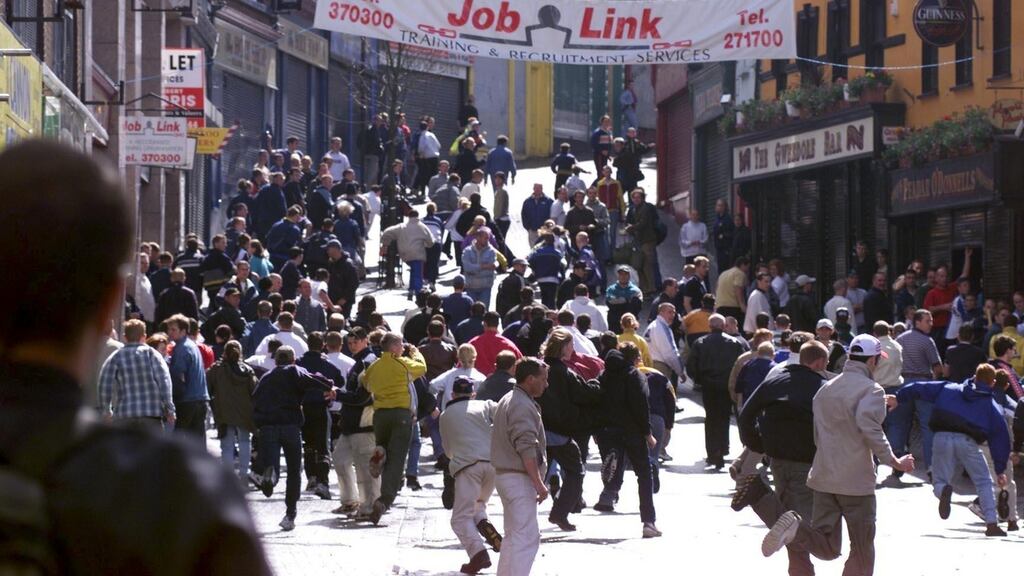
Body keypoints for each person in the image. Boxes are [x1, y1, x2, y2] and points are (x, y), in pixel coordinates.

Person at [761, 335, 915, 574]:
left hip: (823, 478)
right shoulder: (872, 390)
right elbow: (868, 425)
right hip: (855, 482)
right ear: (872, 360)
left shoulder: (826, 388)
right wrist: (894, 460)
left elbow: (818, 434)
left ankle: (796, 530)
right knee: (862, 547)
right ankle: (796, 530)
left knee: (828, 546)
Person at [733, 340, 830, 576]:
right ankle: (759, 497)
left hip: (777, 458)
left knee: (788, 519)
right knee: (801, 526)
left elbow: (746, 414)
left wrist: (757, 444)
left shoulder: (774, 380)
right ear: (819, 362)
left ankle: (800, 570)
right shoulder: (823, 386)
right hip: (807, 460)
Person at [892, 364, 1010, 536]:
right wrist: (1000, 469)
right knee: (984, 481)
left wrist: (899, 397)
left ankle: (943, 491)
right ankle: (992, 523)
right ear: (992, 383)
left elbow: (920, 387)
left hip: (941, 436)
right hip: (969, 441)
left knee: (939, 479)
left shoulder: (949, 388)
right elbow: (1000, 438)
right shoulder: (991, 405)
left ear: (974, 376)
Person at [253, 346, 336, 531]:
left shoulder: (266, 377)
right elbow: (317, 381)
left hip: (268, 427)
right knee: (293, 471)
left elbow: (255, 400)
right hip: (290, 425)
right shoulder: (294, 371)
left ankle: (270, 477)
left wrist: (259, 424)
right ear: (293, 359)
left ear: (276, 360)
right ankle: (290, 514)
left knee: (272, 463)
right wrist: (329, 384)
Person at [592, 343, 661, 537]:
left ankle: (611, 487)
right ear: (635, 358)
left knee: (614, 464)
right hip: (632, 432)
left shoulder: (604, 375)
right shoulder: (634, 375)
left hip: (607, 431)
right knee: (644, 474)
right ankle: (648, 522)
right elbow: (641, 406)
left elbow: (595, 401)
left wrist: (595, 430)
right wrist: (648, 433)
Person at [538, 329, 602, 532]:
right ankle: (560, 512)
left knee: (536, 476)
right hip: (561, 431)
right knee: (576, 471)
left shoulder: (538, 368)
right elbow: (584, 393)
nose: (573, 349)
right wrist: (596, 383)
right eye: (571, 345)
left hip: (540, 430)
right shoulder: (564, 372)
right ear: (564, 347)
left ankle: (525, 514)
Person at [361, 333, 427, 524]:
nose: (403, 348)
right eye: (401, 345)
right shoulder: (402, 364)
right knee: (396, 459)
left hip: (380, 415)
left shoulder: (374, 366)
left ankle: (379, 452)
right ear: (395, 347)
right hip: (400, 415)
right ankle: (385, 500)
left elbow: (366, 383)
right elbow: (422, 368)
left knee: (385, 448)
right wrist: (415, 352)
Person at [491, 357, 548, 576]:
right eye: (543, 379)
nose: (546, 384)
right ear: (530, 379)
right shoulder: (521, 404)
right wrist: (539, 484)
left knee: (515, 536)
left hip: (508, 476)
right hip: (518, 478)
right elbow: (526, 448)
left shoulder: (511, 398)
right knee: (526, 538)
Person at [440, 377, 504, 574]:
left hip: (468, 467)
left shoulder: (445, 415)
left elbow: (448, 451)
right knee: (478, 505)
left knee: (459, 519)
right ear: (473, 394)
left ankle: (478, 554)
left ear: (453, 394)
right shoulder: (485, 405)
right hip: (492, 465)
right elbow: (503, 413)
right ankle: (483, 524)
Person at [687, 314, 747, 470]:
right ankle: (722, 448)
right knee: (724, 417)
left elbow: (691, 365)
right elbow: (742, 365)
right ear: (724, 326)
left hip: (709, 385)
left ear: (709, 326)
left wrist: (699, 380)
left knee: (711, 418)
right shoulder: (734, 343)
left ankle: (713, 451)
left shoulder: (700, 343)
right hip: (726, 385)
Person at [891, 309, 944, 476]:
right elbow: (937, 367)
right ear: (918, 322)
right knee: (927, 425)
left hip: (903, 383)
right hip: (923, 384)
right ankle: (931, 466)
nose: (931, 324)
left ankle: (897, 459)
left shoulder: (900, 339)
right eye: (928, 321)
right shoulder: (927, 341)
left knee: (899, 423)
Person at [98, 319, 175, 428]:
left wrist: (106, 410)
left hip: (125, 415)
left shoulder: (116, 356)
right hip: (151, 414)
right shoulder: (152, 354)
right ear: (144, 337)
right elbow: (164, 381)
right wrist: (170, 409)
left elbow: (104, 383)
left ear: (125, 337)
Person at [207, 340, 258, 484]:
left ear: (224, 352)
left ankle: (228, 477)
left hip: (224, 412)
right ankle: (243, 474)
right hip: (244, 412)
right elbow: (255, 391)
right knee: (244, 441)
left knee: (227, 445)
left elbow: (207, 388)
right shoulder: (247, 370)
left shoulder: (216, 369)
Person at [166, 314, 210, 442]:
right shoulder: (191, 345)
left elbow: (177, 376)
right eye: (169, 329)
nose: (170, 332)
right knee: (197, 441)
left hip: (187, 400)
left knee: (178, 441)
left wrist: (173, 400)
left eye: (173, 329)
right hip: (200, 398)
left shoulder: (181, 349)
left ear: (183, 331)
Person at [623, 189, 659, 295]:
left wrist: (631, 227)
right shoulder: (633, 209)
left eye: (638, 197)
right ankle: (643, 287)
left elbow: (644, 223)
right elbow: (629, 221)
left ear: (642, 198)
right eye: (634, 197)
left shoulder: (646, 208)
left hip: (647, 239)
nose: (636, 199)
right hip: (638, 240)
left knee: (647, 265)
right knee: (639, 264)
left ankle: (651, 288)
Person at [470, 312, 523, 378]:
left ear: (484, 324)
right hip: (504, 382)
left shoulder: (473, 343)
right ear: (498, 324)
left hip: (478, 382)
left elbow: (462, 365)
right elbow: (522, 365)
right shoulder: (509, 344)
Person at [646, 302, 685, 386]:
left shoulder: (653, 325)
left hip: (650, 366)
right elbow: (670, 354)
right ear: (661, 313)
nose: (673, 315)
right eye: (669, 312)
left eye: (674, 312)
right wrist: (680, 372)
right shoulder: (662, 328)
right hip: (660, 368)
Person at [716, 256, 751, 326]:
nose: (748, 270)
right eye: (747, 267)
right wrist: (742, 305)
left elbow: (717, 288)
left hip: (720, 306)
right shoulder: (740, 273)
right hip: (733, 307)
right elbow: (738, 289)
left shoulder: (723, 273)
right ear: (743, 265)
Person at [745, 272, 774, 336]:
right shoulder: (756, 296)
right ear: (759, 282)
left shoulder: (761, 295)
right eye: (766, 281)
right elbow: (754, 317)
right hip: (757, 334)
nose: (768, 284)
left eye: (769, 282)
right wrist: (760, 333)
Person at [711, 199, 734, 274]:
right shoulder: (717, 218)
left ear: (724, 207)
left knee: (725, 268)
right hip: (718, 248)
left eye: (720, 205)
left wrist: (723, 236)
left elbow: (731, 233)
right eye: (717, 205)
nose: (718, 207)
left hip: (725, 249)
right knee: (720, 268)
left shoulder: (727, 219)